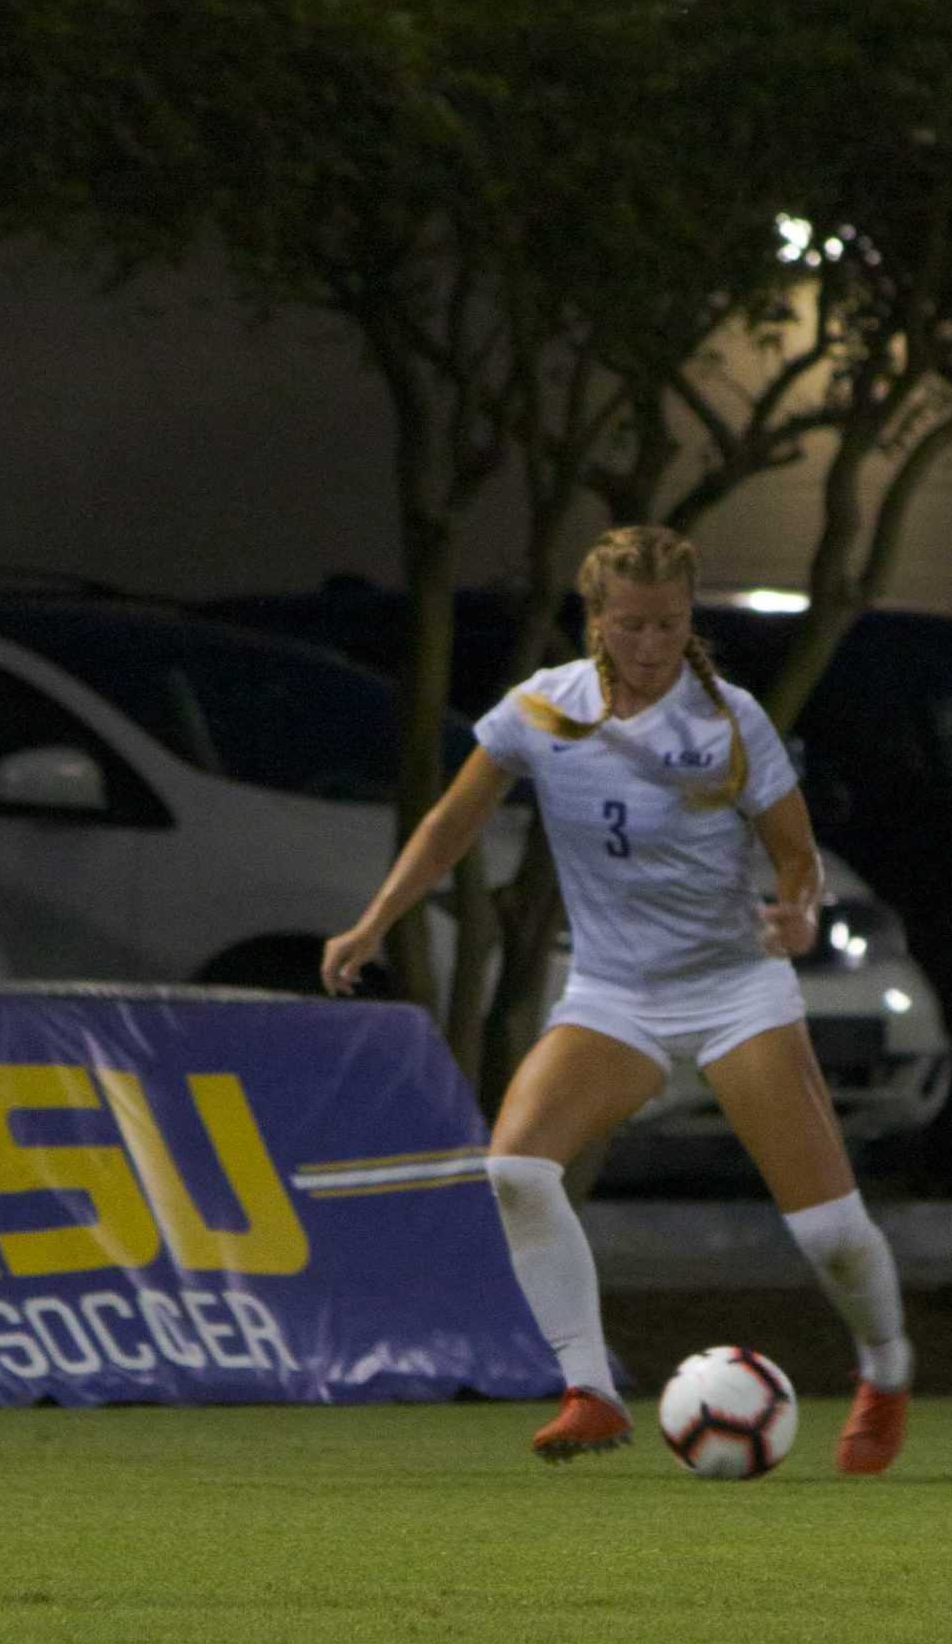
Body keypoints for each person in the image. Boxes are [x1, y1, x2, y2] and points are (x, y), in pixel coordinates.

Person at [321, 525, 913, 1473]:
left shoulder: (729, 721)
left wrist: (797, 913)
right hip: (614, 996)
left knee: (829, 1233)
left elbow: (795, 852)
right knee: (515, 1170)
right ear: (596, 619)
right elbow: (451, 822)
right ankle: (591, 1391)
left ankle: (885, 1369)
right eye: (632, 625)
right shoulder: (543, 710)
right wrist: (374, 922)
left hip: (733, 991)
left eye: (670, 626)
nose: (651, 645)